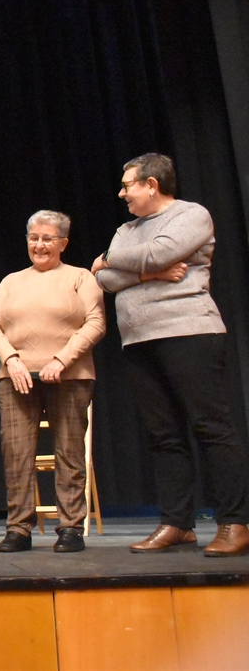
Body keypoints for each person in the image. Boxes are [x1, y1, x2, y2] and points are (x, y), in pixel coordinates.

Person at [92, 153, 249, 556]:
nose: (122, 192)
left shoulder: (190, 215)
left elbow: (153, 254)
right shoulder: (126, 229)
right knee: (164, 435)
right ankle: (177, 523)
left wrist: (110, 259)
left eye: (128, 184)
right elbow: (106, 280)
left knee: (211, 427)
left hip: (189, 331)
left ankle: (235, 522)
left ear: (151, 184)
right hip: (138, 340)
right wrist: (146, 273)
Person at [0, 211, 105, 553]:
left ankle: (70, 527)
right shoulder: (10, 281)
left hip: (69, 375)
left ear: (63, 243)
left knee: (69, 451)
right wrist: (11, 360)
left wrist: (61, 360)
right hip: (16, 377)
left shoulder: (81, 278)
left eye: (47, 238)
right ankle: (18, 528)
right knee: (16, 453)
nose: (39, 244)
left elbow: (96, 323)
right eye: (33, 238)